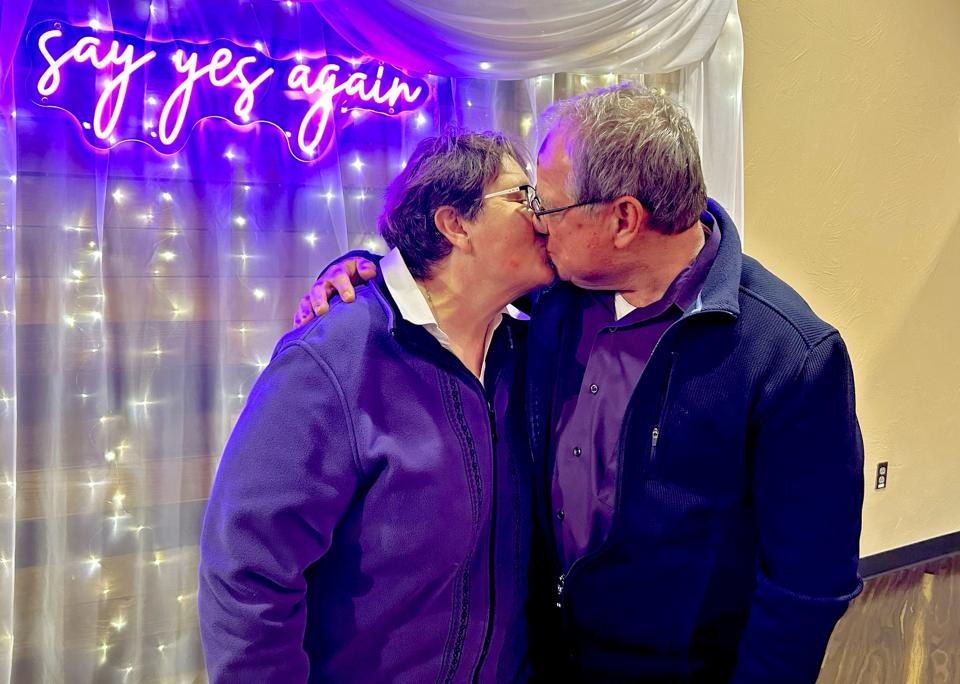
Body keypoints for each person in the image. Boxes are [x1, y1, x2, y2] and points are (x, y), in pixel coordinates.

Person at [297, 84, 864, 683]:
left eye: (548, 206)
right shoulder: (557, 294)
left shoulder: (792, 357)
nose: (535, 223)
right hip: (544, 656)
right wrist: (361, 273)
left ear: (623, 219)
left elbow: (808, 585)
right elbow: (452, 284)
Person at [199, 129, 554, 682]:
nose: (544, 214)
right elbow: (249, 575)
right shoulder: (335, 357)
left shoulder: (527, 343)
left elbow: (651, 228)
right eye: (522, 197)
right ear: (454, 224)